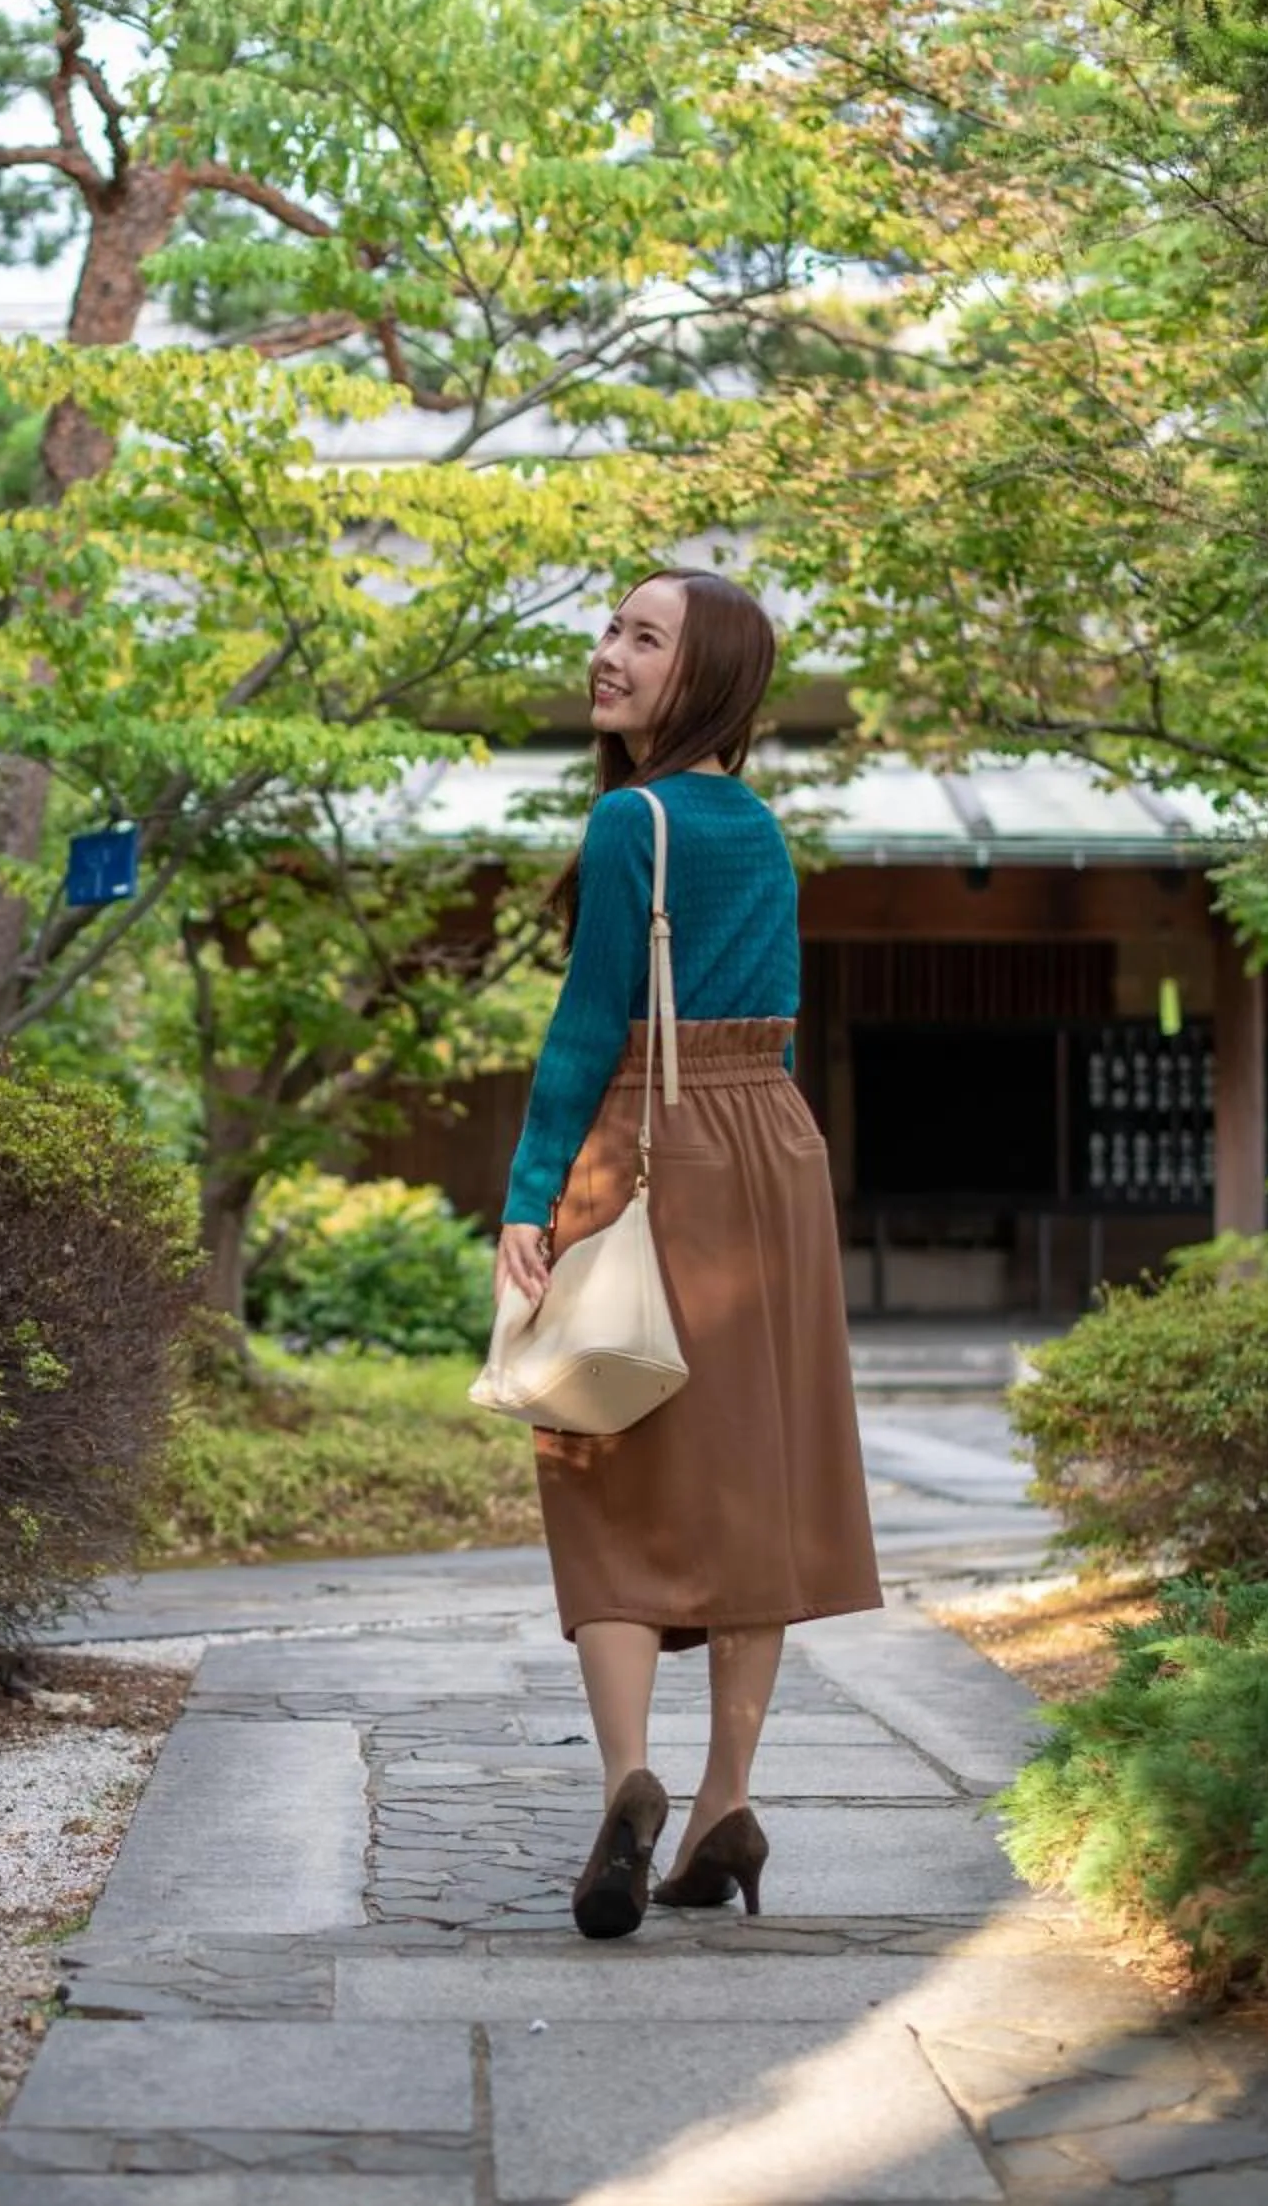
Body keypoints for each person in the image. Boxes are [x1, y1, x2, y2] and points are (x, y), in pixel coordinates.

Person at [494, 567, 882, 1940]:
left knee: (602, 1450)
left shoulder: (627, 821)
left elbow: (588, 1028)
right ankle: (725, 1795)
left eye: (641, 638)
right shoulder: (760, 830)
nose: (607, 654)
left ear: (702, 672)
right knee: (749, 1475)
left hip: (646, 1140)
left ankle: (628, 1776)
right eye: (611, 630)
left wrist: (531, 1199)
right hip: (774, 1150)